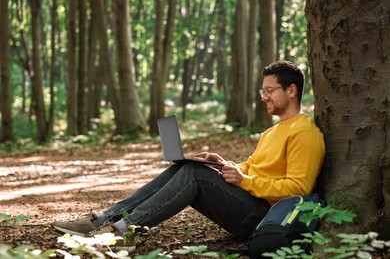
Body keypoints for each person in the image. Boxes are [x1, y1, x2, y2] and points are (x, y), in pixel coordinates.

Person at [52, 60, 325, 248]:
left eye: (269, 91)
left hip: (265, 217)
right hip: (248, 203)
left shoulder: (305, 133)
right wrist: (223, 164)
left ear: (291, 90)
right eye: (261, 91)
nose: (263, 97)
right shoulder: (272, 132)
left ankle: (123, 231)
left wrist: (245, 182)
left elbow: (298, 188)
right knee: (187, 167)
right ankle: (105, 219)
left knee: (194, 173)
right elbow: (254, 166)